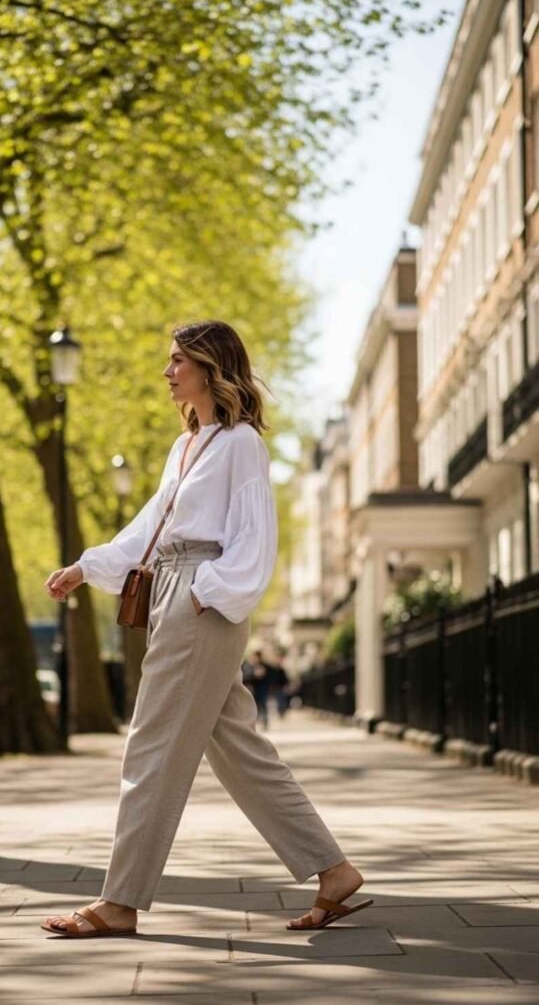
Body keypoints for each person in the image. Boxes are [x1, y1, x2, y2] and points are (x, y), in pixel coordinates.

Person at [41, 320, 372, 938]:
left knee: (151, 746)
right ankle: (334, 871)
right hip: (175, 591)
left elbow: (254, 534)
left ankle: (120, 901)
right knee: (239, 749)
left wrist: (206, 593)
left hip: (198, 599)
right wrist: (88, 567)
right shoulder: (186, 445)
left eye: (178, 361)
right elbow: (150, 527)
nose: (168, 372)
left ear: (211, 367)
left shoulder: (242, 443)